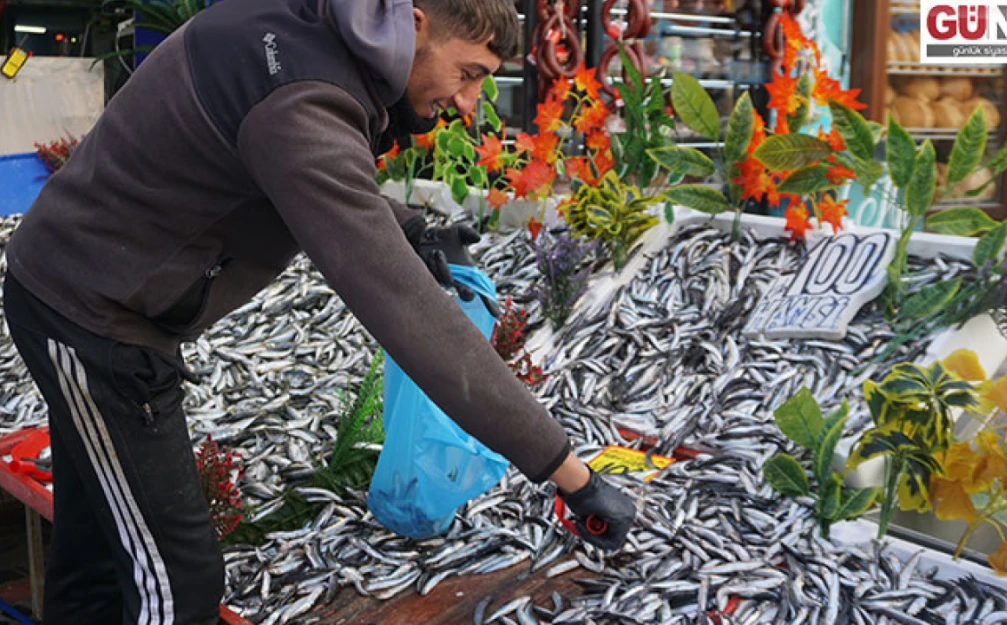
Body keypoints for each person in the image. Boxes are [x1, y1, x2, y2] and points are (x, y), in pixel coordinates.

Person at [2, 0, 637, 622]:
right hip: (92, 319)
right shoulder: (303, 94)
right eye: (468, 73)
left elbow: (273, 166)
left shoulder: (307, 30)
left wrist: (409, 229)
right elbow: (408, 314)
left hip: (81, 282)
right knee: (178, 579)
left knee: (95, 556)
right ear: (415, 23)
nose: (469, 104)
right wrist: (567, 471)